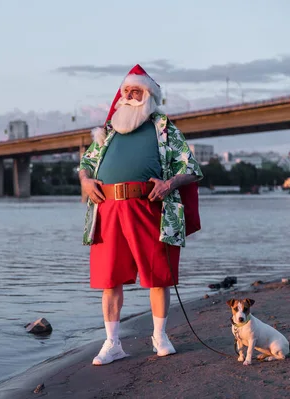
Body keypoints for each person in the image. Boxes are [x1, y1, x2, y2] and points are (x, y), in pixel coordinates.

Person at [78, 64, 204, 366]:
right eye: (127, 91)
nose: (131, 95)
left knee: (158, 276)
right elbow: (86, 162)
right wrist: (85, 179)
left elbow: (191, 168)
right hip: (107, 209)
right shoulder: (107, 130)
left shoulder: (163, 128)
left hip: (149, 207)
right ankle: (112, 344)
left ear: (149, 95)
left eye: (137, 90)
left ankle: (160, 337)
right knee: (109, 280)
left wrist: (169, 183)